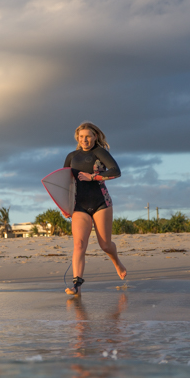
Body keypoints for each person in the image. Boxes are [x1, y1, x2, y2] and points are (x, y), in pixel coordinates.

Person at [62, 122, 127, 295]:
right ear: (77, 138)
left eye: (88, 136)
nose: (85, 140)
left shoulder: (100, 153)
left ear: (95, 137)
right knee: (79, 244)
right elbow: (65, 183)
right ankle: (77, 285)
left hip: (101, 202)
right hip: (79, 205)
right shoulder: (71, 157)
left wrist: (93, 177)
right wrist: (64, 205)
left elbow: (116, 171)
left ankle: (116, 262)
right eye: (81, 137)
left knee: (105, 244)